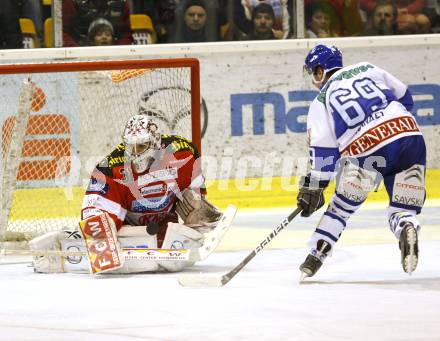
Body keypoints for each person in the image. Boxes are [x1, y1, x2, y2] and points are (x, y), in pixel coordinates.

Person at [30, 114, 224, 274]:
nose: (134, 153)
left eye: (141, 146)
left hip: (163, 227)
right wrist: (100, 241)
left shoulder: (184, 153)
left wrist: (196, 220)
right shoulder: (110, 168)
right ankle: (67, 249)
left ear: (155, 142)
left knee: (175, 258)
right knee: (102, 236)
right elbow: (94, 215)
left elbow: (197, 191)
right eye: (130, 146)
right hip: (125, 228)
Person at [298, 44, 426, 279]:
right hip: (410, 136)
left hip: (369, 150)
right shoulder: (368, 67)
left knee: (341, 207)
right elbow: (406, 98)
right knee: (403, 207)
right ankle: (406, 225)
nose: (313, 80)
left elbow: (324, 155)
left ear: (319, 71)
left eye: (312, 73)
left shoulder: (321, 100)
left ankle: (316, 255)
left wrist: (315, 186)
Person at [62, 0, 132, 47]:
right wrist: (79, 52)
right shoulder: (71, 2)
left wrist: (119, 51)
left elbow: (128, 33)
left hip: (117, 54)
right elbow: (62, 33)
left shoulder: (122, 3)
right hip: (79, 55)